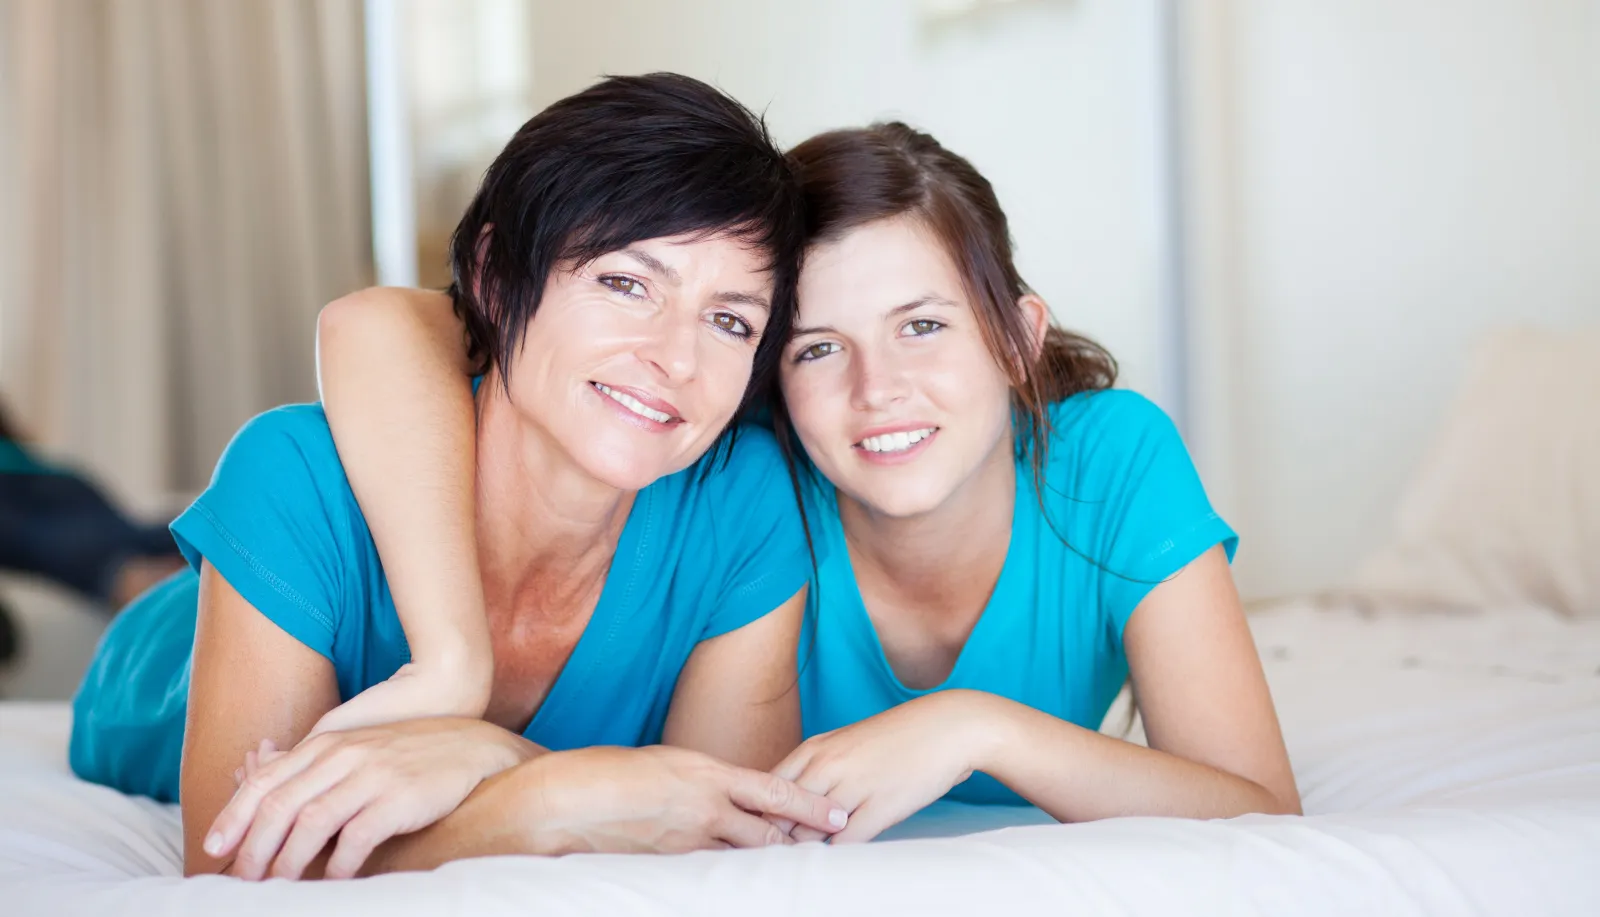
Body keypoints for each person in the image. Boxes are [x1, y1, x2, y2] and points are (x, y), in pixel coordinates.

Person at [311, 122, 1301, 844]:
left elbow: (1257, 803)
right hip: (294, 631)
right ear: (768, 375)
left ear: (1018, 337)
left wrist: (974, 726)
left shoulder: (1111, 461)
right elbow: (384, 325)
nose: (879, 390)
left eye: (923, 324)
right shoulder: (749, 484)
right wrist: (453, 678)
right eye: (818, 346)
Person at [68, 72, 850, 882]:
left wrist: (483, 749)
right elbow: (242, 866)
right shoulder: (291, 474)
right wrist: (548, 801)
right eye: (624, 282)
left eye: (730, 320)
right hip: (154, 670)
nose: (677, 358)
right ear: (496, 277)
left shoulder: (745, 500)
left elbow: (723, 824)